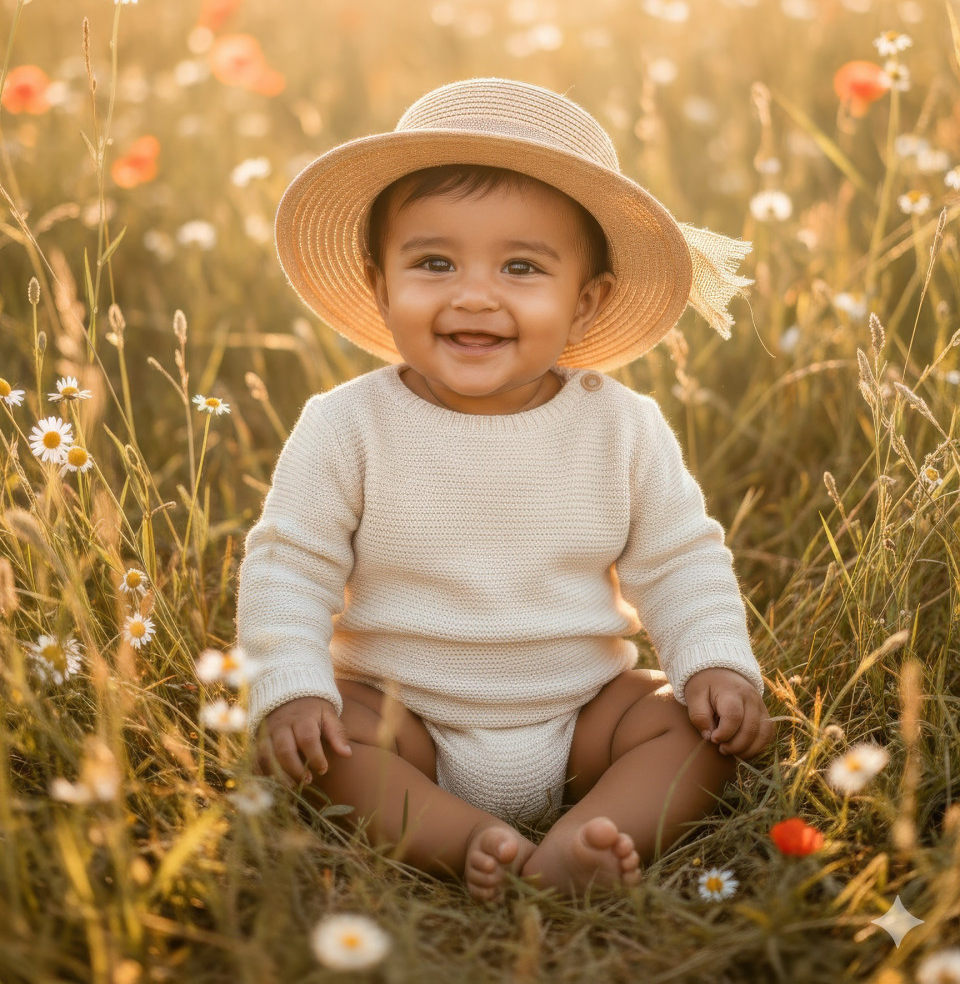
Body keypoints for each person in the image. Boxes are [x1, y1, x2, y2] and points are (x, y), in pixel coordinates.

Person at [236, 76, 775, 902]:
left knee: (692, 727)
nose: (474, 294)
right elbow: (289, 565)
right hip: (402, 717)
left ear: (585, 304)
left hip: (583, 716)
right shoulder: (346, 424)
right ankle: (467, 840)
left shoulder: (622, 427)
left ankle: (590, 838)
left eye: (522, 266)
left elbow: (679, 561)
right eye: (434, 262)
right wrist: (293, 686)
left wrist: (715, 665)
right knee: (326, 740)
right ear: (382, 288)